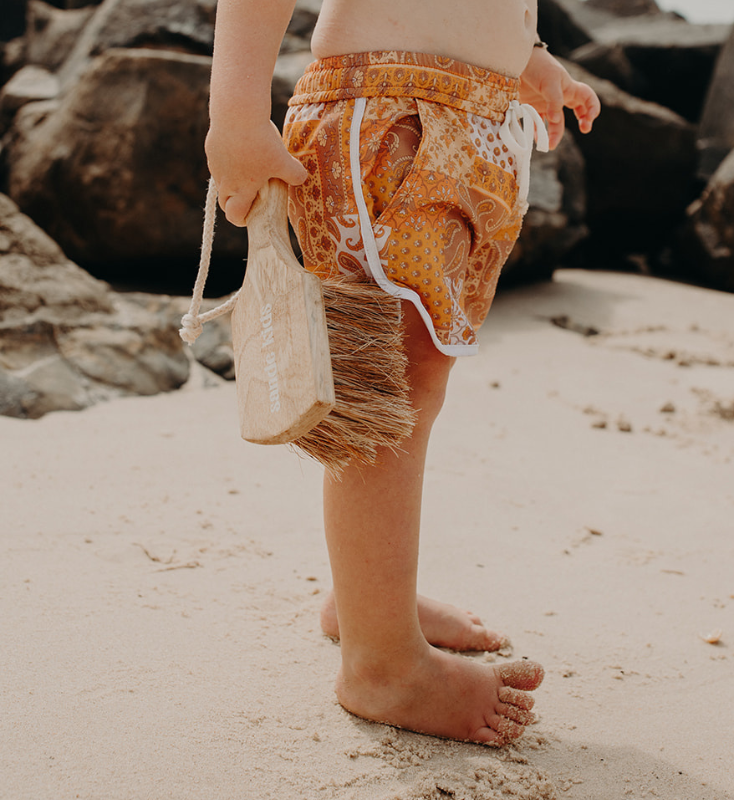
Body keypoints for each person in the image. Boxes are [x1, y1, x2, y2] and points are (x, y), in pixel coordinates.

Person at [205, 0, 600, 746]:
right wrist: (235, 116)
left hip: (472, 114)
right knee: (384, 391)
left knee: (418, 386)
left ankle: (368, 603)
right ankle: (381, 664)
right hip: (389, 111)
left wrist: (527, 50)